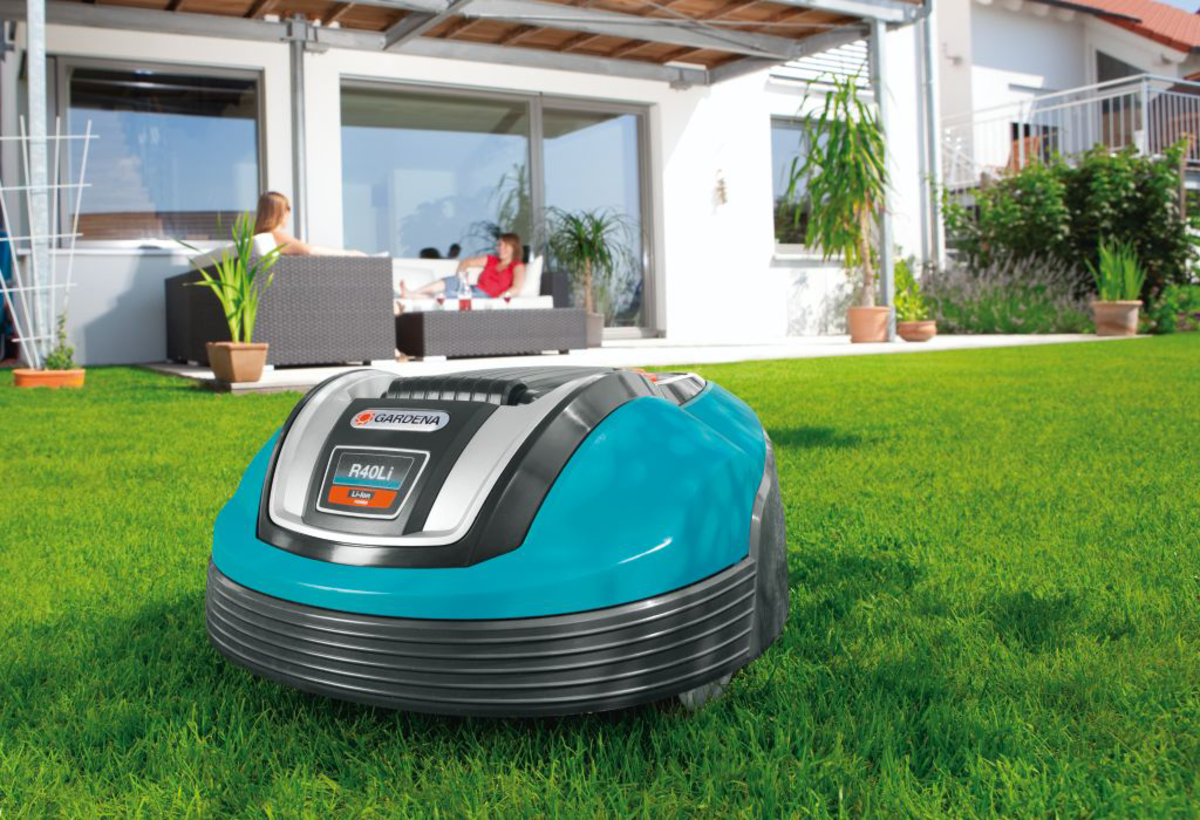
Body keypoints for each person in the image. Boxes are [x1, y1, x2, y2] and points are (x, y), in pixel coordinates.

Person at [402, 233, 525, 301]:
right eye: (499, 245)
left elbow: (516, 288)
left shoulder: (517, 265)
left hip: (486, 297)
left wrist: (501, 299)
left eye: (505, 246)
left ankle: (415, 297)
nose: (501, 248)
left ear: (514, 248)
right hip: (473, 289)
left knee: (448, 295)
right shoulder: (492, 260)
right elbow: (467, 262)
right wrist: (460, 280)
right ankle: (414, 293)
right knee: (452, 281)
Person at [253, 191, 365, 256]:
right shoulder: (274, 236)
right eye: (287, 208)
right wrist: (349, 254)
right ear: (279, 212)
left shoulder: (261, 237)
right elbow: (309, 250)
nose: (289, 213)